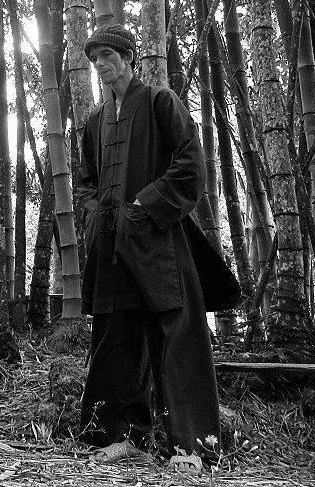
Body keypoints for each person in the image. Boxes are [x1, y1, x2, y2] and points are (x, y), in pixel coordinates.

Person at [75, 24, 233, 472]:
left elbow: (190, 165)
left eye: (107, 54)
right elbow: (84, 180)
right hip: (111, 244)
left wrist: (144, 206)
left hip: (159, 242)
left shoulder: (161, 101)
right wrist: (96, 215)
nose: (101, 64)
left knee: (175, 337)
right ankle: (122, 436)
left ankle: (193, 447)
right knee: (115, 338)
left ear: (128, 58)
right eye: (95, 58)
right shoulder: (93, 120)